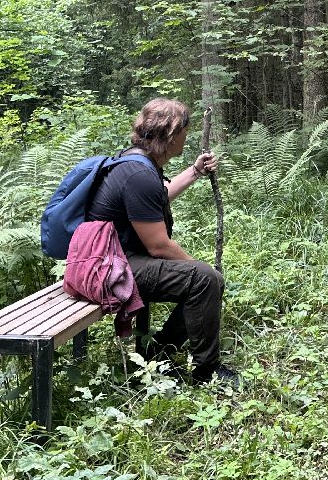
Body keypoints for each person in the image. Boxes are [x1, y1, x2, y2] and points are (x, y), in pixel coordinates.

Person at [85, 98, 239, 387]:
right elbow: (159, 246)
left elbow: (157, 197)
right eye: (184, 130)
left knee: (205, 279)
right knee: (205, 280)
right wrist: (203, 270)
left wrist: (195, 172)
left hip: (112, 259)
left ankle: (159, 353)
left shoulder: (136, 161)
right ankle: (207, 371)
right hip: (111, 268)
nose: (187, 136)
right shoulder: (139, 173)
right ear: (170, 135)